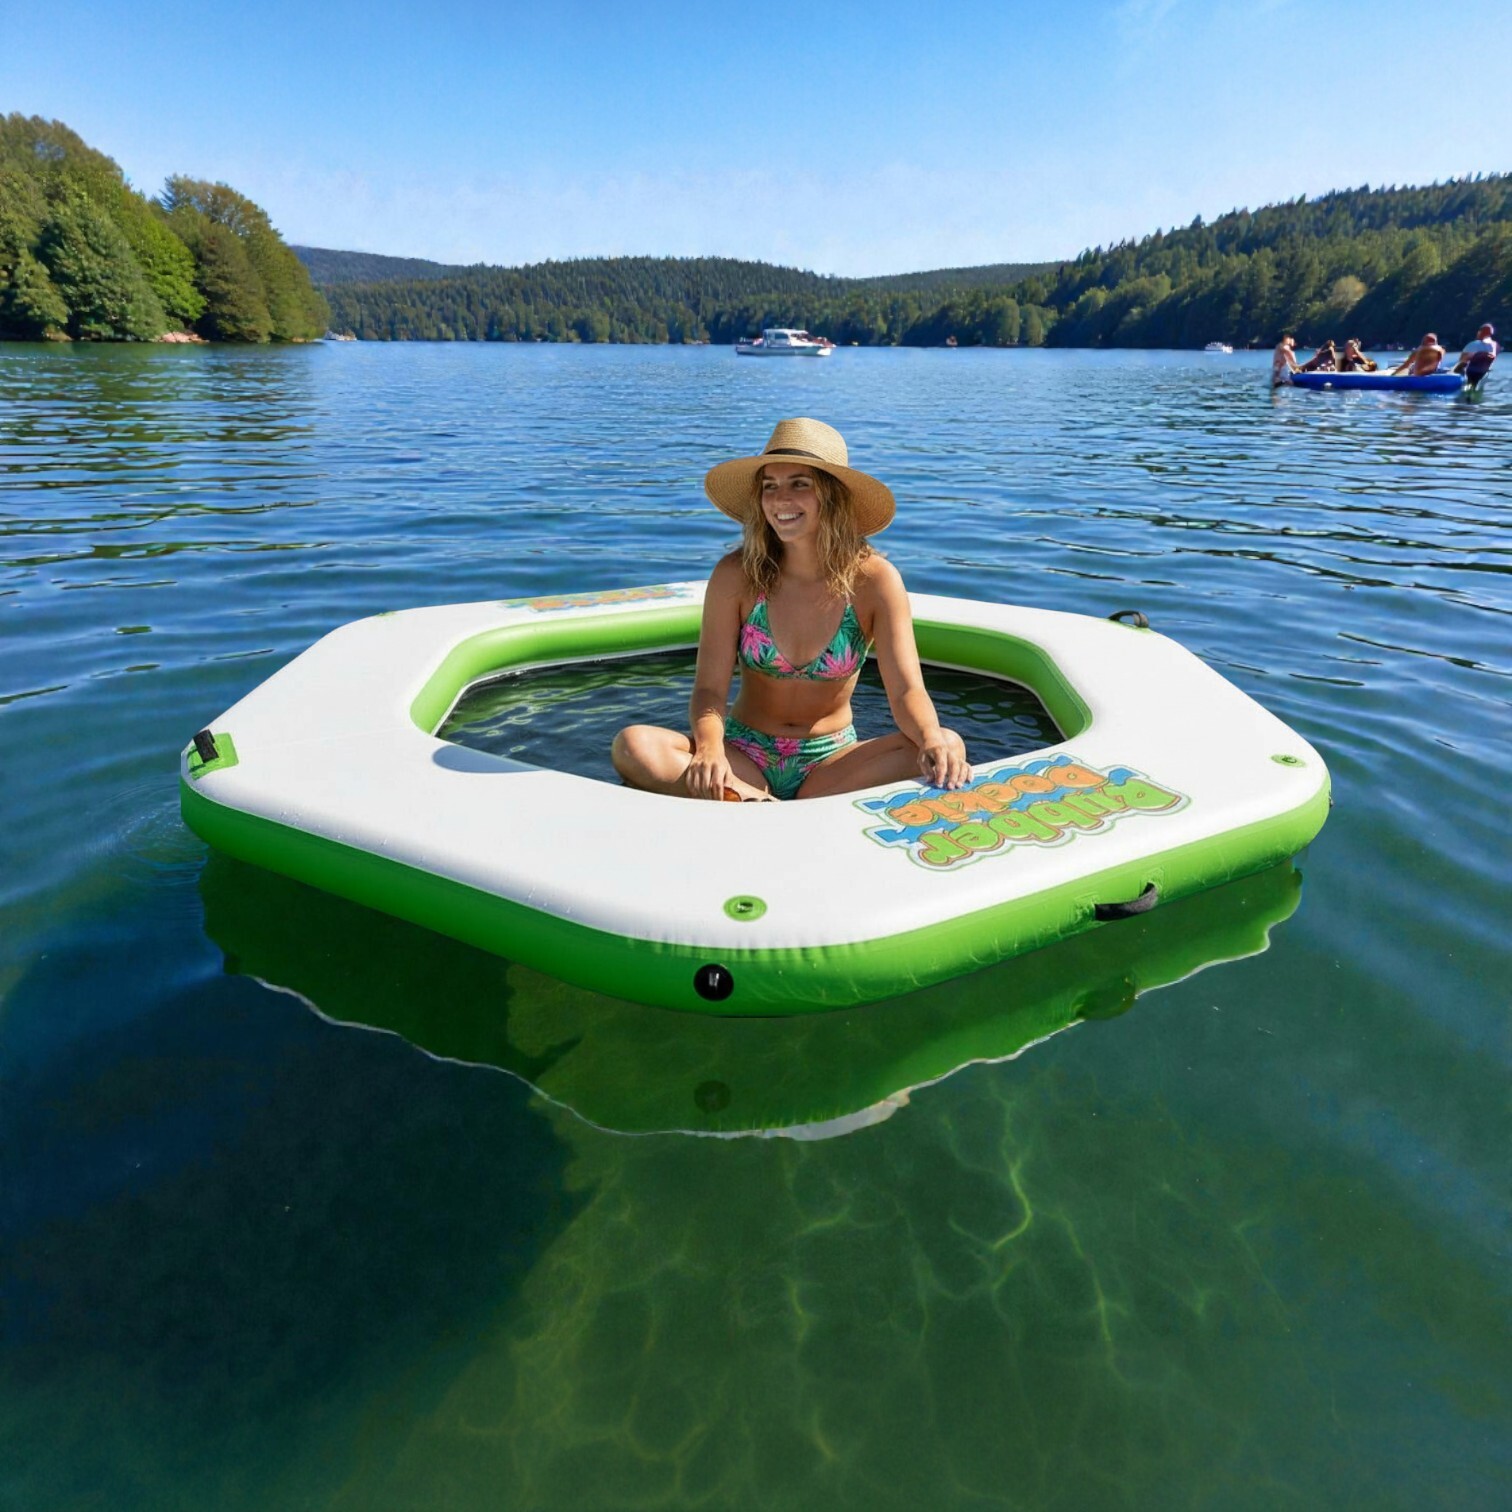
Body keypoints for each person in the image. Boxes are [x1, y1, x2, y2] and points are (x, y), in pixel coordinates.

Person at [612, 418, 970, 802]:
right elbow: (709, 689)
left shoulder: (874, 580)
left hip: (833, 763)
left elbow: (906, 690)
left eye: (800, 483)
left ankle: (746, 807)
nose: (780, 499)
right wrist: (711, 750)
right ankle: (760, 802)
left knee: (946, 743)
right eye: (770, 486)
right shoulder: (737, 575)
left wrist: (931, 736)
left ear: (832, 496)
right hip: (743, 756)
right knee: (634, 745)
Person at [1453, 322, 1498, 388]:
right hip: (1483, 372)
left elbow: (1462, 360)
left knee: (1460, 367)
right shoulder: (1494, 345)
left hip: (1471, 373)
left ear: (1479, 332)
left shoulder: (1473, 345)